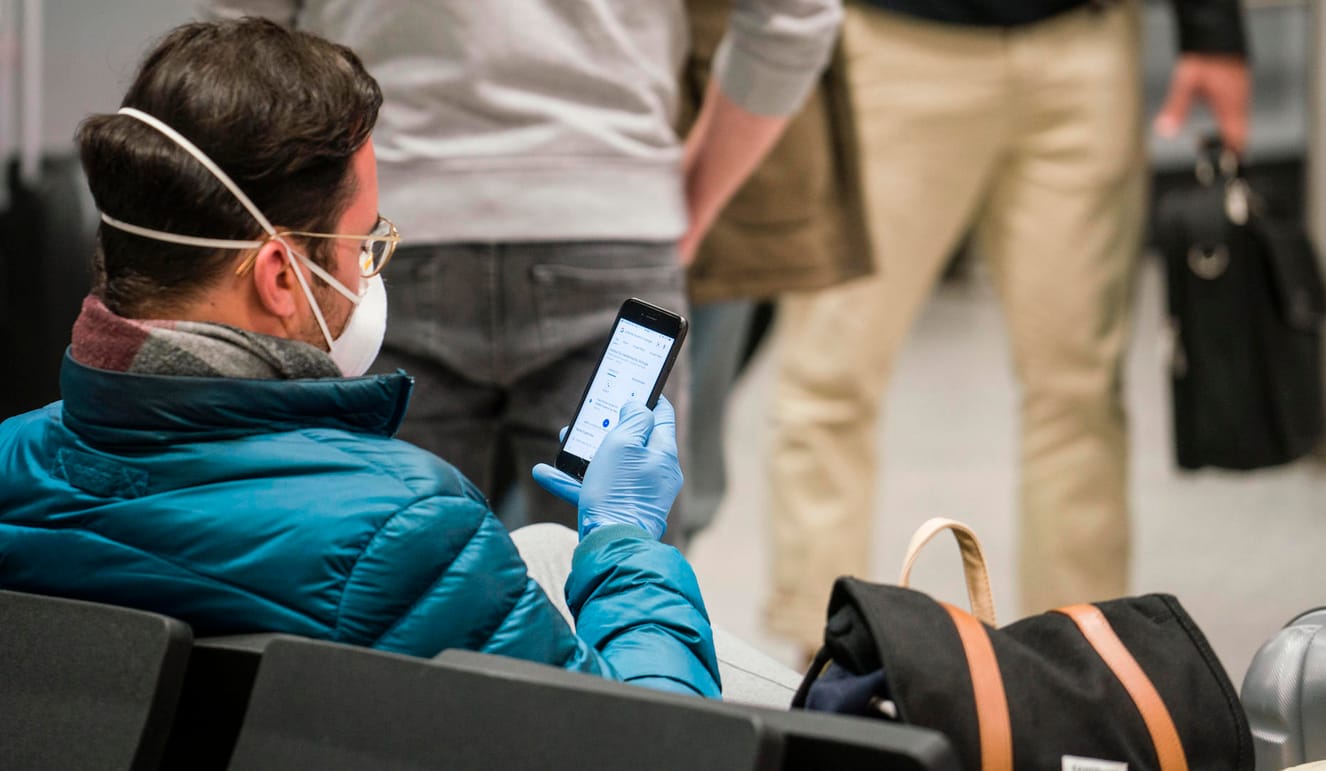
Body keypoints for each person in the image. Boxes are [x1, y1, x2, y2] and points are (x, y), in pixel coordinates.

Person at [0, 19, 718, 698]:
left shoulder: (12, 459)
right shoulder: (409, 529)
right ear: (281, 277)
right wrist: (625, 543)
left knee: (537, 546)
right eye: (363, 242)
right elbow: (653, 740)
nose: (369, 270)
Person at [205, 0, 843, 534]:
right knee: (614, 580)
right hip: (611, 227)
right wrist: (692, 198)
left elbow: (239, 40)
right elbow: (795, 17)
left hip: (375, 238)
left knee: (382, 592)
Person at [765, 0, 1251, 653]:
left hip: (1081, 43)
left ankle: (1081, 679)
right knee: (830, 378)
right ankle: (826, 672)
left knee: (1080, 395)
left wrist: (1213, 29)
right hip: (889, 43)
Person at [677, 0, 873, 540]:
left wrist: (697, 200)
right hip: (662, 152)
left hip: (693, 159)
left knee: (664, 460)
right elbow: (795, 20)